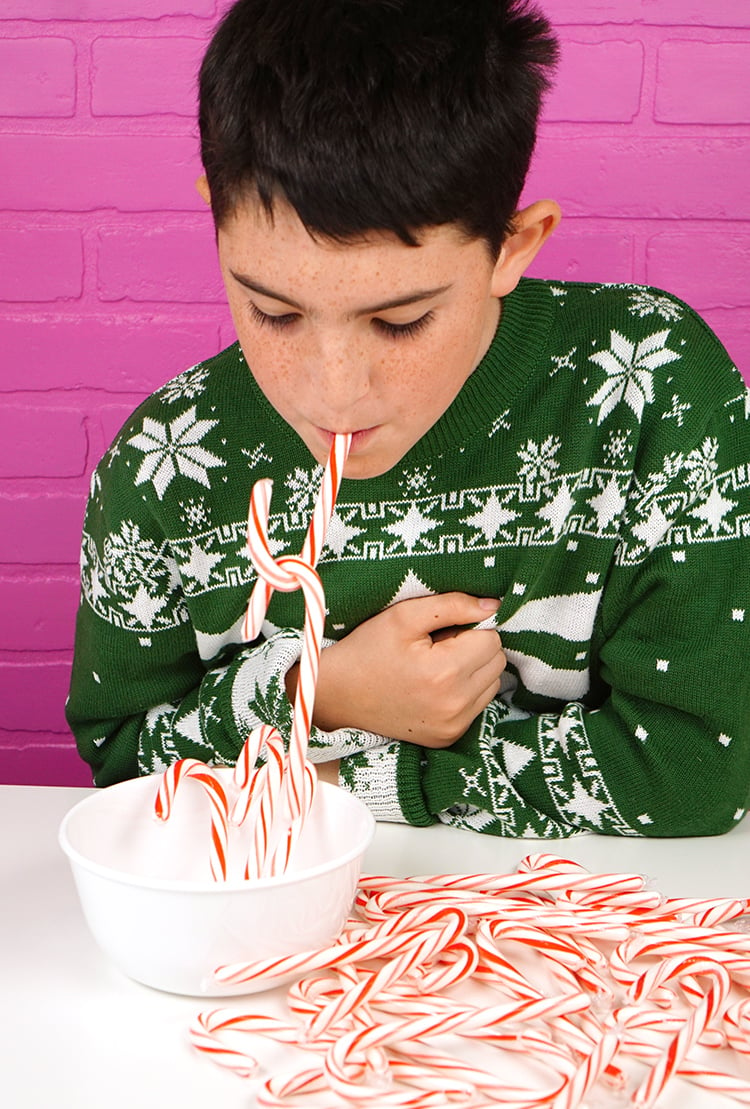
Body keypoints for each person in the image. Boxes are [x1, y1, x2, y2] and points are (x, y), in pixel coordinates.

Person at [66, 0, 750, 838]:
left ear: (513, 245)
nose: (334, 390)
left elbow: (694, 767)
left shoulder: (650, 387)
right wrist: (316, 686)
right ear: (214, 216)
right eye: (273, 311)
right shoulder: (163, 465)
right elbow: (123, 770)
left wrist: (366, 768)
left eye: (400, 321)